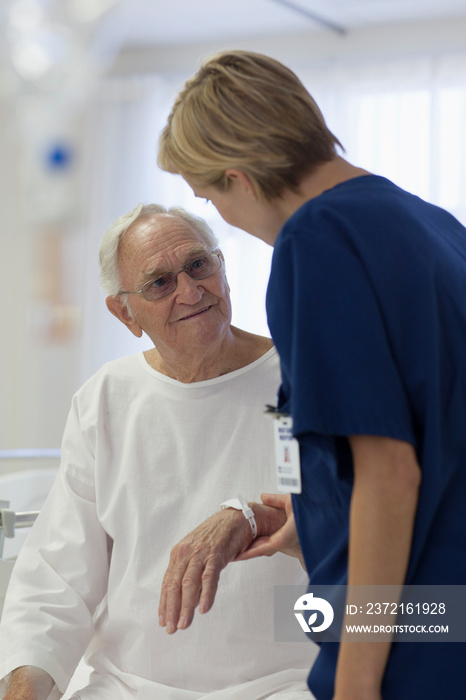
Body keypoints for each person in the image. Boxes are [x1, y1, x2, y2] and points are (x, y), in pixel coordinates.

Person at [157, 50, 466, 700]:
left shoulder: (316, 241)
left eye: (210, 196)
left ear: (239, 176)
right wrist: (316, 515)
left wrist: (354, 684)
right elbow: (432, 424)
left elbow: (389, 470)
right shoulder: (432, 225)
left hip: (409, 630)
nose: (224, 216)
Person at [0, 203, 316, 700]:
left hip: (286, 680)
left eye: (198, 266)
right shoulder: (106, 397)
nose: (190, 292)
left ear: (223, 269)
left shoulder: (302, 381)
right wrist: (25, 689)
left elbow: (356, 547)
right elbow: (58, 578)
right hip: (128, 685)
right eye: (159, 283)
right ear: (125, 312)